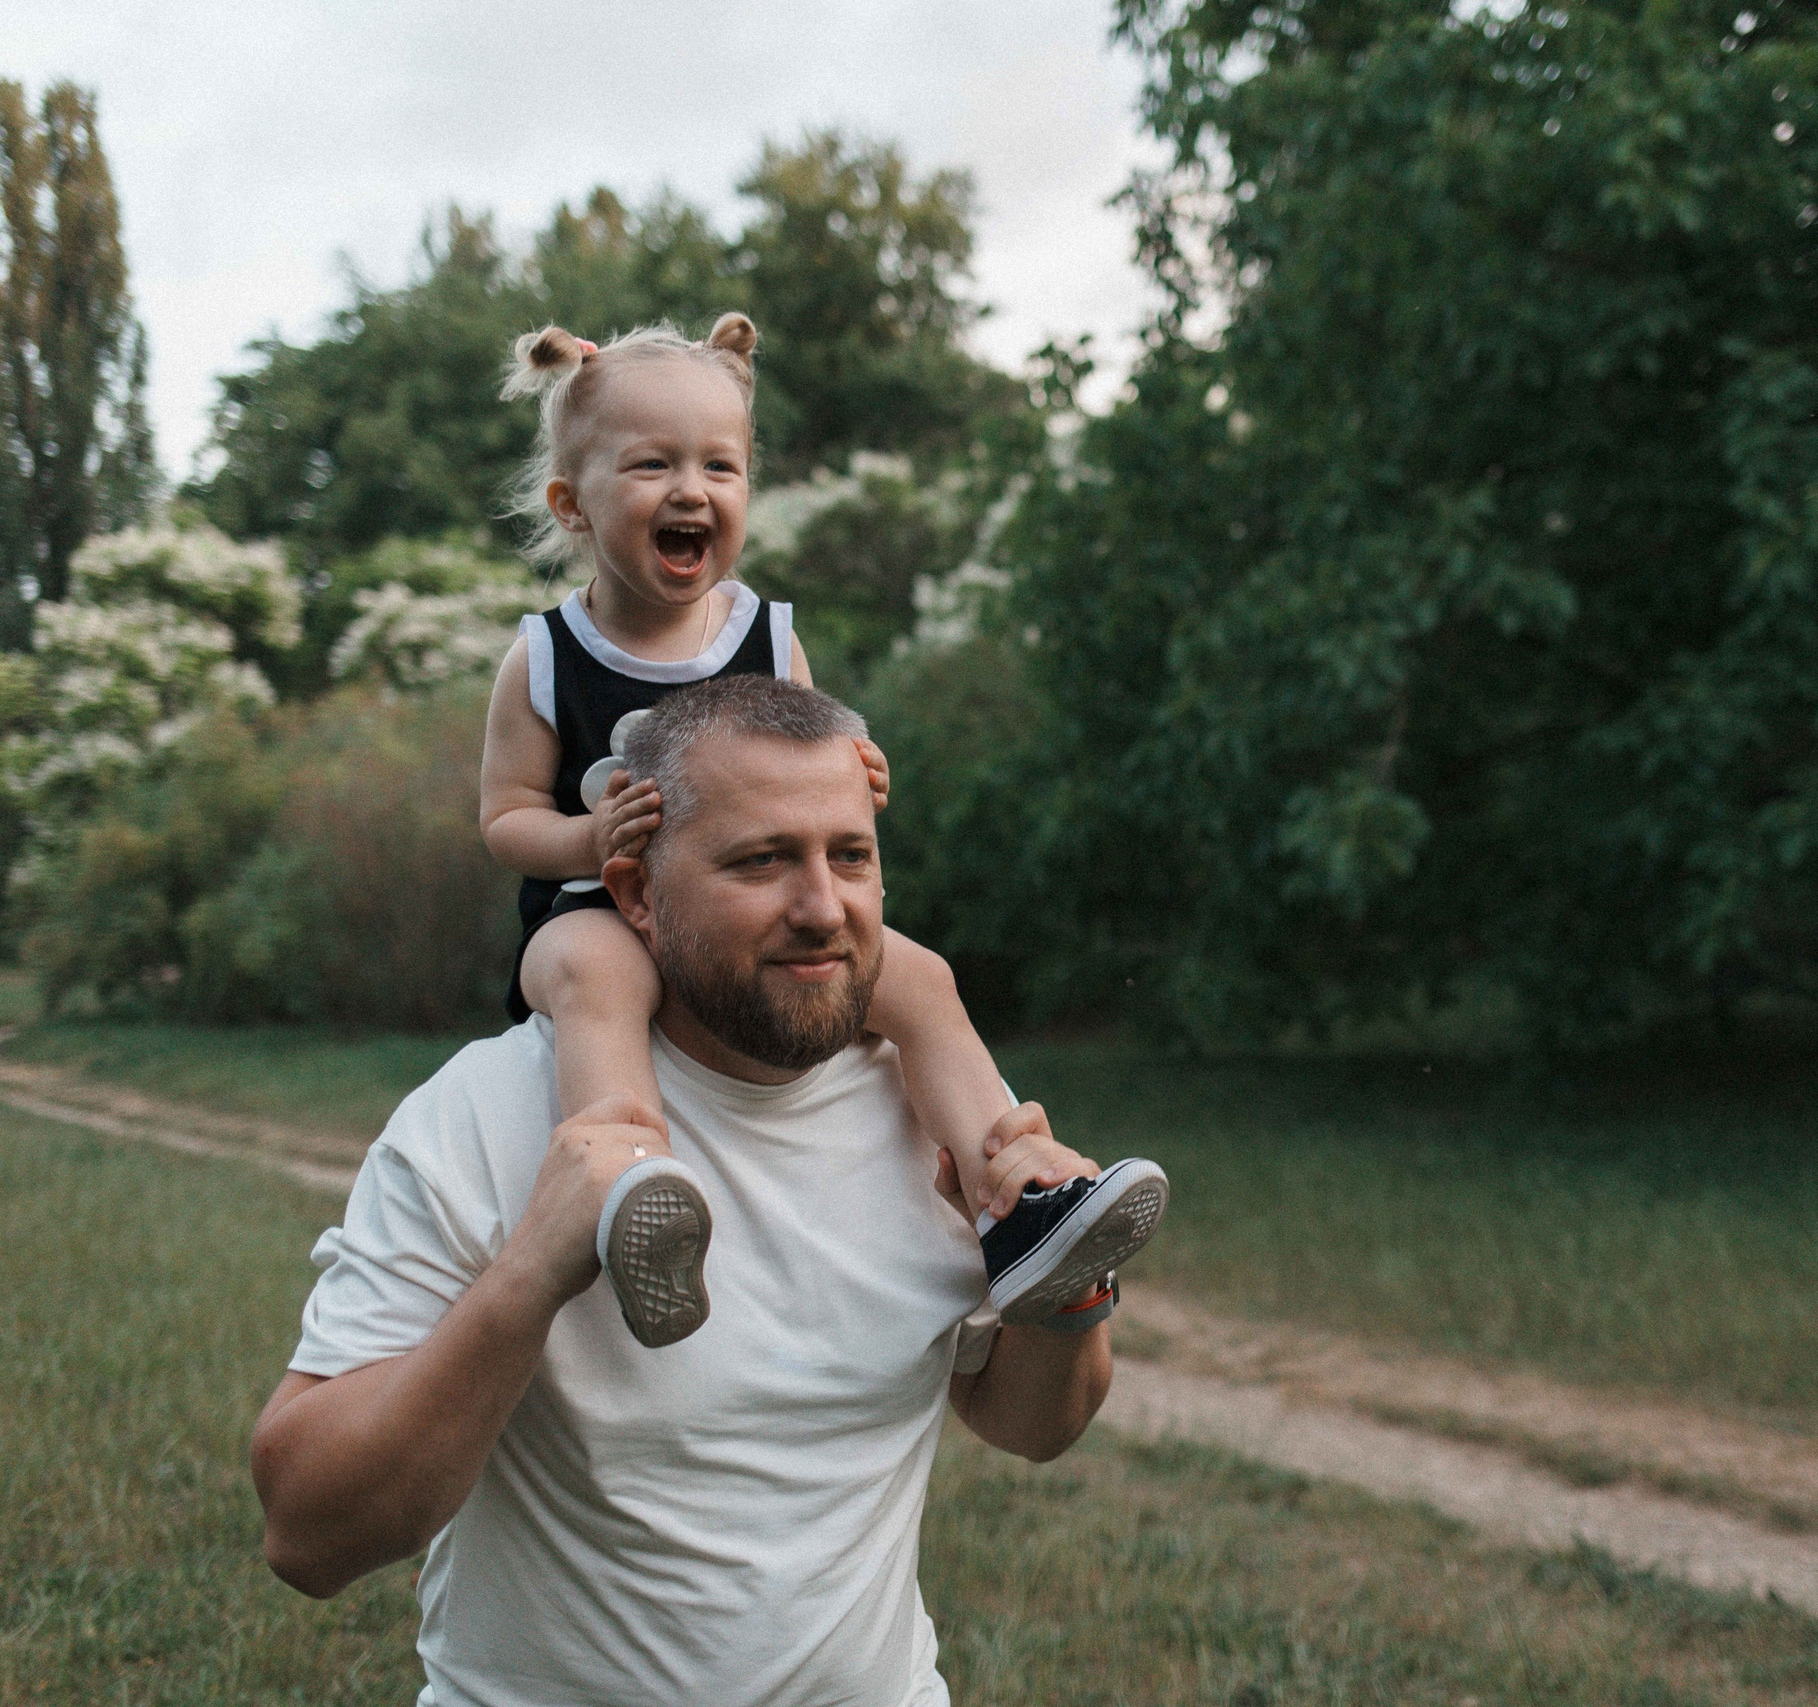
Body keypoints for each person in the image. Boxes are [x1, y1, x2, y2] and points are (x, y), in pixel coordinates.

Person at [252, 674, 1117, 1705]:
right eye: (761, 861)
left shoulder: (940, 1108)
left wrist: (1065, 1298)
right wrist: (531, 1271)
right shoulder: (485, 1116)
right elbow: (307, 1534)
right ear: (636, 896)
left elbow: (1033, 1425)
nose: (820, 907)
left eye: (849, 856)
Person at [476, 316, 1164, 1346]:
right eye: (651, 463)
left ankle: (1015, 1196)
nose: (690, 488)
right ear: (571, 504)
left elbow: (811, 766)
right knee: (597, 980)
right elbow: (503, 820)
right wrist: (585, 841)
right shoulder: (541, 659)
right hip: (594, 913)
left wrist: (854, 770)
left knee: (919, 979)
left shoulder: (768, 636)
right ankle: (628, 1196)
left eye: (721, 465)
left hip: (754, 915)